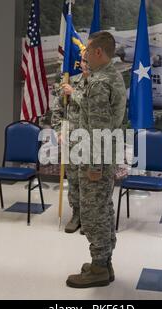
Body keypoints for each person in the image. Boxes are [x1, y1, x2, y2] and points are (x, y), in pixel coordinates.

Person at [61, 31, 126, 288]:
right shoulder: (112, 75)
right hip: (103, 153)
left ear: (98, 52)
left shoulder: (99, 83)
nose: (84, 55)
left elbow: (98, 129)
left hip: (94, 157)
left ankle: (99, 266)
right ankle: (104, 262)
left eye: (87, 51)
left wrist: (95, 166)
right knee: (103, 208)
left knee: (94, 211)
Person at [51, 52, 89, 234]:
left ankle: (92, 219)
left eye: (89, 60)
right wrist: (59, 131)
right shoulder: (70, 81)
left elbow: (97, 107)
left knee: (92, 182)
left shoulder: (102, 84)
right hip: (73, 143)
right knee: (74, 181)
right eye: (83, 60)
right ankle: (77, 215)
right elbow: (57, 111)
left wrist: (74, 94)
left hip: (95, 142)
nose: (86, 64)